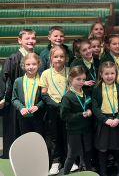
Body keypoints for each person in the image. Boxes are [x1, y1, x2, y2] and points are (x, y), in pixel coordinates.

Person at [0, 29, 37, 159]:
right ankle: (14, 155)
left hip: (33, 101)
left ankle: (31, 154)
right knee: (14, 127)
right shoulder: (13, 57)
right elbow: (4, 78)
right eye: (27, 39)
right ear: (19, 41)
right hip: (15, 100)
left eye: (33, 38)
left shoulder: (35, 57)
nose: (30, 41)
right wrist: (2, 98)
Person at [40, 46, 73, 175]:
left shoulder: (70, 72)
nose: (59, 59)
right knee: (55, 136)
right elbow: (44, 93)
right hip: (53, 109)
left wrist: (65, 104)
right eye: (56, 57)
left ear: (66, 58)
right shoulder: (46, 73)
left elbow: (73, 89)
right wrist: (54, 104)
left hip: (68, 109)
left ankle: (68, 159)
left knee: (68, 135)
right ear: (50, 58)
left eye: (61, 56)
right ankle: (55, 161)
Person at [92, 61, 119, 176]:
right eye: (106, 74)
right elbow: (95, 107)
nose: (110, 76)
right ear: (101, 74)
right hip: (104, 120)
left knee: (117, 147)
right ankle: (103, 171)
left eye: (112, 73)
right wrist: (104, 119)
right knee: (102, 148)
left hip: (117, 119)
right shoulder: (97, 89)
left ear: (116, 74)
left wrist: (118, 118)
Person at [60, 66, 93, 174]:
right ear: (70, 79)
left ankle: (88, 172)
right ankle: (65, 173)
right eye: (78, 79)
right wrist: (80, 115)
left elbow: (87, 105)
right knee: (72, 155)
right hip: (74, 131)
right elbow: (64, 116)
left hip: (86, 129)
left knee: (88, 153)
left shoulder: (86, 93)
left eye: (83, 79)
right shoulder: (68, 97)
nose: (81, 82)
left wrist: (88, 110)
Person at [12, 53, 45, 136]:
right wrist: (21, 108)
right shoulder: (18, 81)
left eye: (34, 64)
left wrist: (38, 106)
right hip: (23, 116)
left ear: (39, 64)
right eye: (28, 64)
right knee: (26, 139)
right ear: (24, 65)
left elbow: (46, 97)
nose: (31, 67)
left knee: (39, 139)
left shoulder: (43, 79)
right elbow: (14, 98)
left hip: (39, 116)